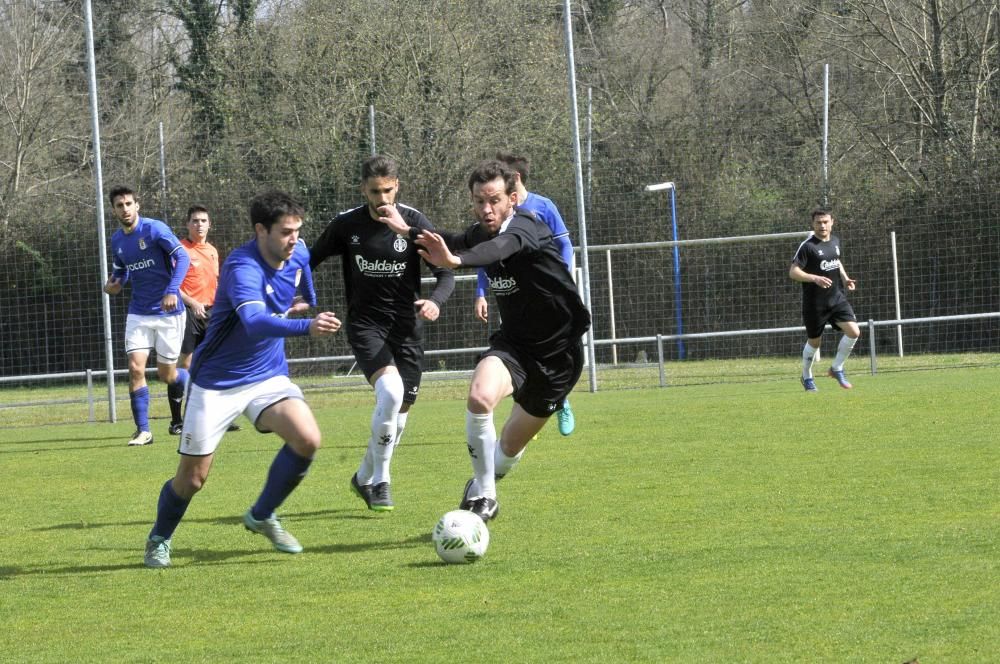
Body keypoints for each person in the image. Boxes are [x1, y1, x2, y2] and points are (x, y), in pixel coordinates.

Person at [378, 160, 590, 523]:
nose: (486, 209)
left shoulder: (526, 227)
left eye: (493, 200)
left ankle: (484, 483)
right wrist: (408, 229)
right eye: (478, 202)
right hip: (516, 346)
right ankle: (486, 493)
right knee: (479, 397)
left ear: (512, 199)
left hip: (560, 358)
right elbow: (453, 240)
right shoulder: (481, 231)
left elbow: (497, 249)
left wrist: (456, 260)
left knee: (507, 449)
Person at [143, 189, 341, 568]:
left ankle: (262, 514)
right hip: (216, 382)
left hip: (267, 375)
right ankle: (159, 538)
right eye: (285, 232)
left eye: (298, 230)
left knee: (308, 438)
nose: (295, 239)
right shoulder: (241, 267)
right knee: (192, 479)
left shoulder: (297, 254)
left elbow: (304, 288)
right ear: (260, 230)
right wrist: (306, 326)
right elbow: (252, 322)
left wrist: (303, 304)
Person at [309, 155, 455, 512]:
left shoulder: (414, 222)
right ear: (364, 189)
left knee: (400, 414)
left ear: (397, 186)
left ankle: (362, 476)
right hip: (366, 326)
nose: (382, 198)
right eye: (375, 191)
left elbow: (446, 271)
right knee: (390, 393)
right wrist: (302, 299)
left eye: (388, 190)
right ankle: (382, 481)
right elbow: (306, 262)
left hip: (407, 329)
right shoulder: (347, 225)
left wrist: (435, 301)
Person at [477, 152, 578, 437]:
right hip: (514, 297)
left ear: (515, 179)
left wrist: (564, 280)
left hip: (549, 297)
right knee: (514, 348)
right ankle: (527, 404)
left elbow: (565, 246)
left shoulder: (542, 207)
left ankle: (561, 398)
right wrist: (480, 292)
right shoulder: (494, 214)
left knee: (556, 351)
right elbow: (486, 255)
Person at [103, 185, 191, 446]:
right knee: (135, 368)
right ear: (114, 210)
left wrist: (172, 290)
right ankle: (144, 431)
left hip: (169, 313)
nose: (125, 209)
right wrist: (114, 284)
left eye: (129, 204)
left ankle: (190, 383)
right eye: (120, 205)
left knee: (168, 375)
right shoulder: (118, 240)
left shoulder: (155, 229)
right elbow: (121, 271)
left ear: (137, 206)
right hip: (139, 312)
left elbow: (182, 257)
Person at [175, 204, 239, 433]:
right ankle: (179, 420)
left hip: (213, 313)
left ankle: (219, 416)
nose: (199, 224)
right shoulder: (180, 250)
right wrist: (193, 303)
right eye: (195, 221)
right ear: (187, 224)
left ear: (209, 224)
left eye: (203, 221)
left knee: (217, 362)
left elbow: (217, 283)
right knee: (187, 363)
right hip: (190, 312)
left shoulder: (212, 251)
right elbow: (174, 287)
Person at [789, 208, 861, 391]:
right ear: (812, 224)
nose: (822, 225)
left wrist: (845, 278)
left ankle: (837, 367)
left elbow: (836, 261)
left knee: (854, 331)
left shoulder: (835, 241)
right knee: (815, 342)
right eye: (818, 222)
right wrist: (814, 278)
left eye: (825, 222)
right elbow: (793, 272)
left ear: (832, 222)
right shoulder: (808, 246)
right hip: (815, 304)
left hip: (836, 298)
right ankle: (807, 376)